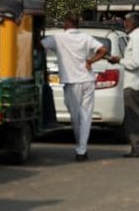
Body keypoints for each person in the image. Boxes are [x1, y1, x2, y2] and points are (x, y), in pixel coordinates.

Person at [41, 15, 108, 162]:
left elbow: (40, 45)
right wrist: (91, 61)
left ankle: (81, 149)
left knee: (76, 117)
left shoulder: (58, 38)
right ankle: (81, 148)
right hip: (88, 79)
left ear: (66, 24)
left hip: (72, 82)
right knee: (85, 116)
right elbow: (103, 50)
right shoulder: (85, 37)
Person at [109, 12, 139, 158]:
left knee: (134, 117)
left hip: (135, 83)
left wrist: (119, 61)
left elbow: (136, 62)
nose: (125, 25)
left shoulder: (137, 37)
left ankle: (138, 148)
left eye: (126, 22)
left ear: (133, 23)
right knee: (138, 116)